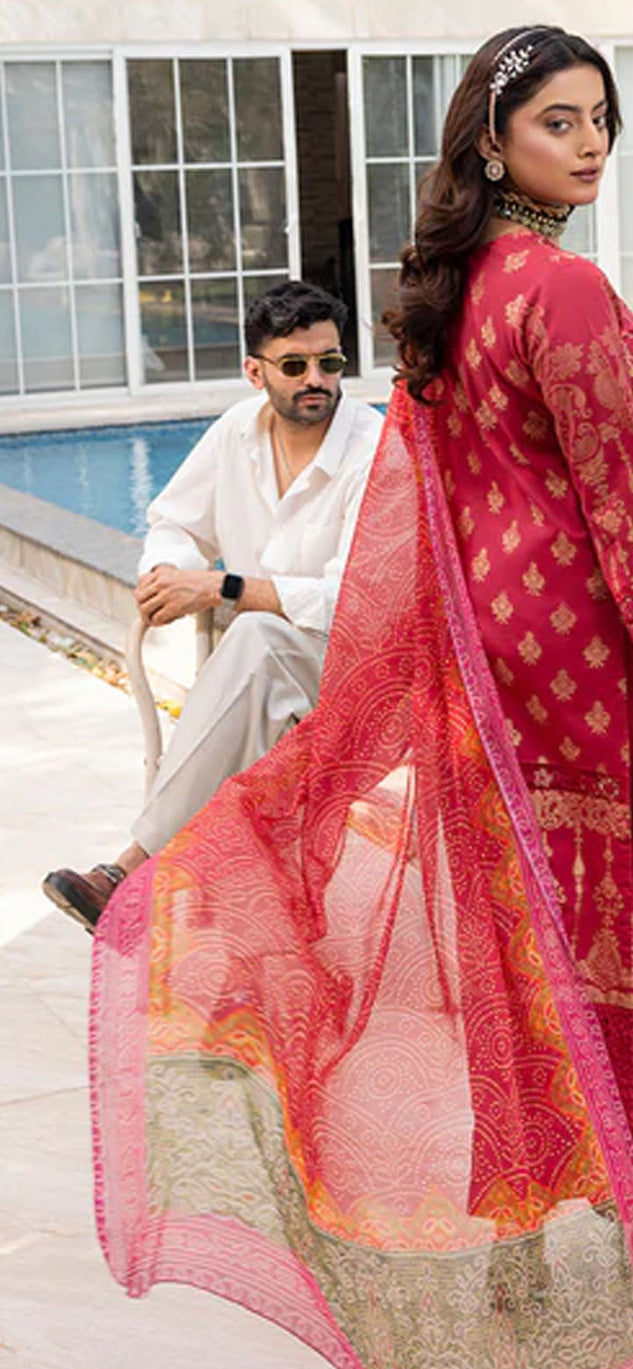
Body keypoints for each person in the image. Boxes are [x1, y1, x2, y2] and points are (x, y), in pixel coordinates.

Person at [89, 31, 633, 1369]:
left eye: (600, 118)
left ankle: (526, 1229)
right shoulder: (562, 289)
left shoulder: (448, 299)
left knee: (518, 946)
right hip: (585, 663)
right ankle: (613, 1211)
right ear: (492, 140)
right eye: (558, 121)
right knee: (609, 935)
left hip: (494, 668)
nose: (590, 142)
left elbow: (430, 512)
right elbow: (628, 505)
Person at [43, 280, 384, 929]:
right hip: (267, 675)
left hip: (359, 675)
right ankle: (210, 896)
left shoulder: (372, 449)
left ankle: (133, 868)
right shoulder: (237, 431)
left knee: (253, 639)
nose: (316, 379)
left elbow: (358, 598)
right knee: (251, 659)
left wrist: (224, 588)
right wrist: (166, 573)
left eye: (330, 361)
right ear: (256, 372)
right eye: (295, 365)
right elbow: (174, 521)